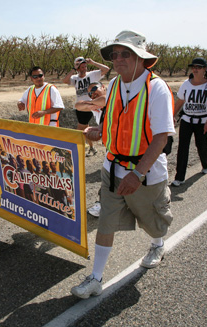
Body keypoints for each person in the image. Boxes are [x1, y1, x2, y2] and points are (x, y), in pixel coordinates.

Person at [71, 30, 175, 299]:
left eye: (125, 54)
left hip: (146, 172)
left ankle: (157, 243)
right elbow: (113, 122)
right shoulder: (115, 84)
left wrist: (137, 174)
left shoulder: (157, 88)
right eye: (114, 54)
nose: (118, 59)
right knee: (106, 220)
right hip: (113, 168)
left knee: (151, 221)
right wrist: (100, 133)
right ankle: (95, 278)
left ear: (141, 59)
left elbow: (161, 137)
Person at [171, 57, 207, 187]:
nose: (195, 69)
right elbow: (180, 102)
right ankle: (179, 177)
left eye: (198, 67)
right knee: (182, 148)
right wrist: (172, 116)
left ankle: (205, 164)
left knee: (202, 145)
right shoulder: (186, 84)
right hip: (187, 120)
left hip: (203, 121)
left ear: (204, 69)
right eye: (193, 67)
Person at [63, 57, 110, 156]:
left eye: (85, 66)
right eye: (82, 66)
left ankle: (74, 150)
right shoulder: (75, 78)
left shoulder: (92, 75)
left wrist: (93, 62)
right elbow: (65, 80)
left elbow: (106, 69)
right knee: (84, 128)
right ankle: (92, 148)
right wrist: (73, 69)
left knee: (80, 129)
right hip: (83, 106)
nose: (84, 68)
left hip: (92, 106)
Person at [75, 82, 108, 218]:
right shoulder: (97, 107)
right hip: (110, 146)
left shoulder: (113, 97)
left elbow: (105, 100)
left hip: (124, 146)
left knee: (109, 176)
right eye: (89, 93)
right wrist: (94, 103)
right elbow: (78, 106)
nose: (92, 93)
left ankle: (103, 205)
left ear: (104, 87)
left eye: (95, 89)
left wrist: (92, 103)